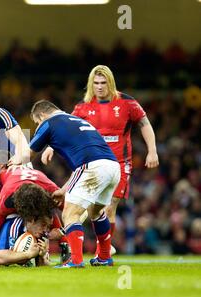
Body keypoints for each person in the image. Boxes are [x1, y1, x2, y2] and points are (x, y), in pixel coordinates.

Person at [42, 65, 159, 255]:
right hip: (92, 163)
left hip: (120, 163)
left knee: (109, 205)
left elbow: (144, 124)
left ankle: (102, 250)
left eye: (103, 83)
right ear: (90, 84)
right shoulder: (83, 106)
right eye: (96, 83)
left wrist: (152, 150)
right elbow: (65, 127)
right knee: (90, 208)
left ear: (110, 83)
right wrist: (50, 147)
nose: (99, 87)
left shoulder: (127, 102)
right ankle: (101, 248)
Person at [10, 100, 121, 268]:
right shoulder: (78, 120)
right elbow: (84, 163)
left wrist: (12, 162)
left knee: (70, 214)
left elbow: (27, 154)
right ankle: (104, 257)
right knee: (96, 211)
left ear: (41, 115)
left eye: (37, 122)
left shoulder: (48, 123)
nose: (38, 125)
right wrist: (63, 190)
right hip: (112, 167)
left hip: (91, 167)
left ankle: (75, 261)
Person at [0, 165, 69, 266]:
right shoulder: (6, 201)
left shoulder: (52, 192)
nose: (46, 230)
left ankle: (64, 246)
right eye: (44, 226)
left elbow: (80, 212)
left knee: (51, 213)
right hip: (1, 182)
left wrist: (62, 231)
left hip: (34, 181)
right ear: (30, 218)